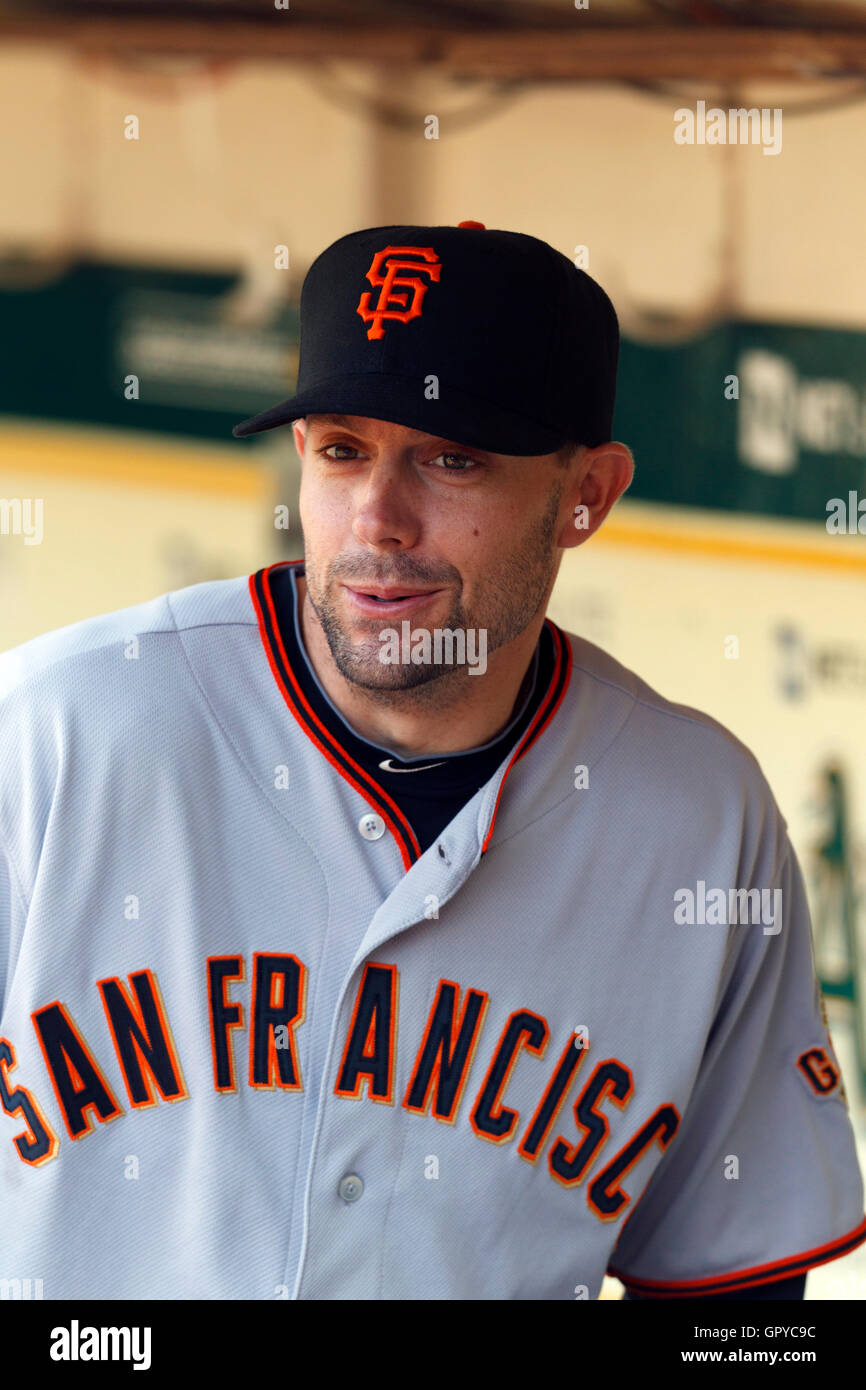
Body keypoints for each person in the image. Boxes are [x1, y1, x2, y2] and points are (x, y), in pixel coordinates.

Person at [0, 223, 862, 1301]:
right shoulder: (56, 732)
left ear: (585, 493)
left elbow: (733, 1292)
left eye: (450, 459)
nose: (377, 520)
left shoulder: (696, 820)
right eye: (340, 449)